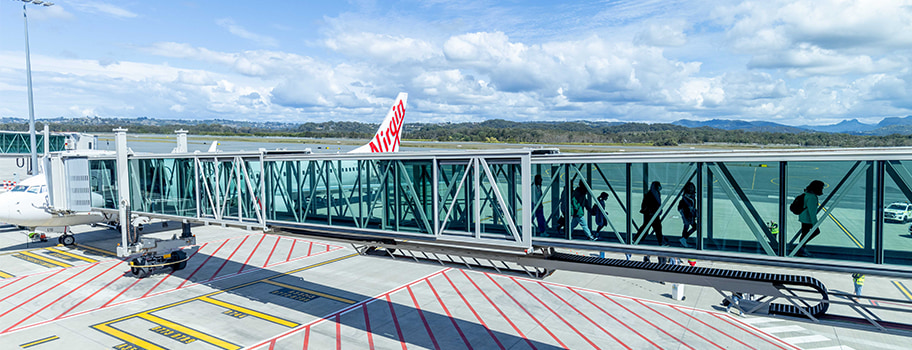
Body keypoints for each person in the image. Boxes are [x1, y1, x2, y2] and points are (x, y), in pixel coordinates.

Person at [797, 180, 825, 257]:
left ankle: (801, 248)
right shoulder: (812, 197)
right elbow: (812, 213)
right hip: (807, 219)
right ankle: (800, 248)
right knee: (814, 232)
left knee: (805, 233)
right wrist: (815, 224)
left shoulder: (807, 194)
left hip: (803, 217)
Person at [637, 181, 665, 246]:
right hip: (650, 214)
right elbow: (646, 204)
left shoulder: (656, 193)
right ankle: (636, 239)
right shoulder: (650, 195)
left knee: (650, 228)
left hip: (654, 214)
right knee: (653, 228)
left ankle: (637, 239)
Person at [678, 182, 697, 248]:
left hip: (691, 215)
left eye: (692, 187)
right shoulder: (685, 197)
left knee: (688, 227)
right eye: (690, 187)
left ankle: (683, 239)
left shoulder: (692, 196)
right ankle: (684, 239)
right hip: (687, 215)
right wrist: (684, 215)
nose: (691, 189)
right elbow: (680, 207)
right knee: (690, 227)